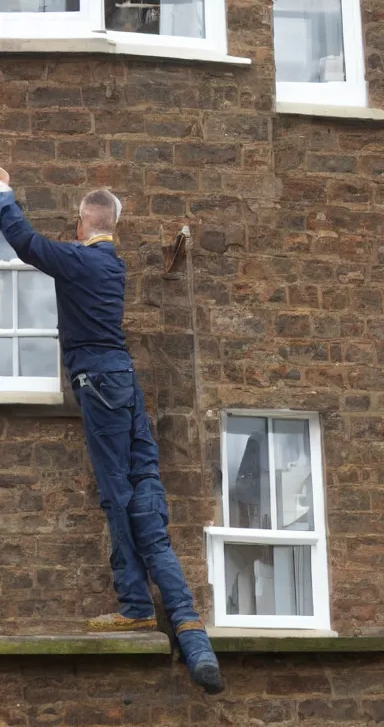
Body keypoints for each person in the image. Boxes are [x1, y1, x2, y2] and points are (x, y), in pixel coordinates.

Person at [0, 169, 224, 695]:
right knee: (144, 489)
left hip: (100, 381)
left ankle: (135, 606)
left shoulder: (81, 260)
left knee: (117, 493)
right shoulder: (111, 263)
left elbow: (26, 243)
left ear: (83, 222)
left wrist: (4, 194)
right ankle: (189, 630)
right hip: (123, 379)